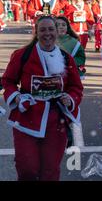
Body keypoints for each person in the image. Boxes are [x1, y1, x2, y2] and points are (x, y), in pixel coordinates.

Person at [1, 15, 83, 181]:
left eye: (51, 29)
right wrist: (16, 97)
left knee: (50, 171)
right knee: (27, 169)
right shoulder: (22, 55)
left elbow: (76, 87)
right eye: (43, 30)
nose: (47, 33)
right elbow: (8, 81)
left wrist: (70, 98)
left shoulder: (66, 58)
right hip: (27, 119)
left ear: (56, 32)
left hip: (56, 121)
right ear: (36, 32)